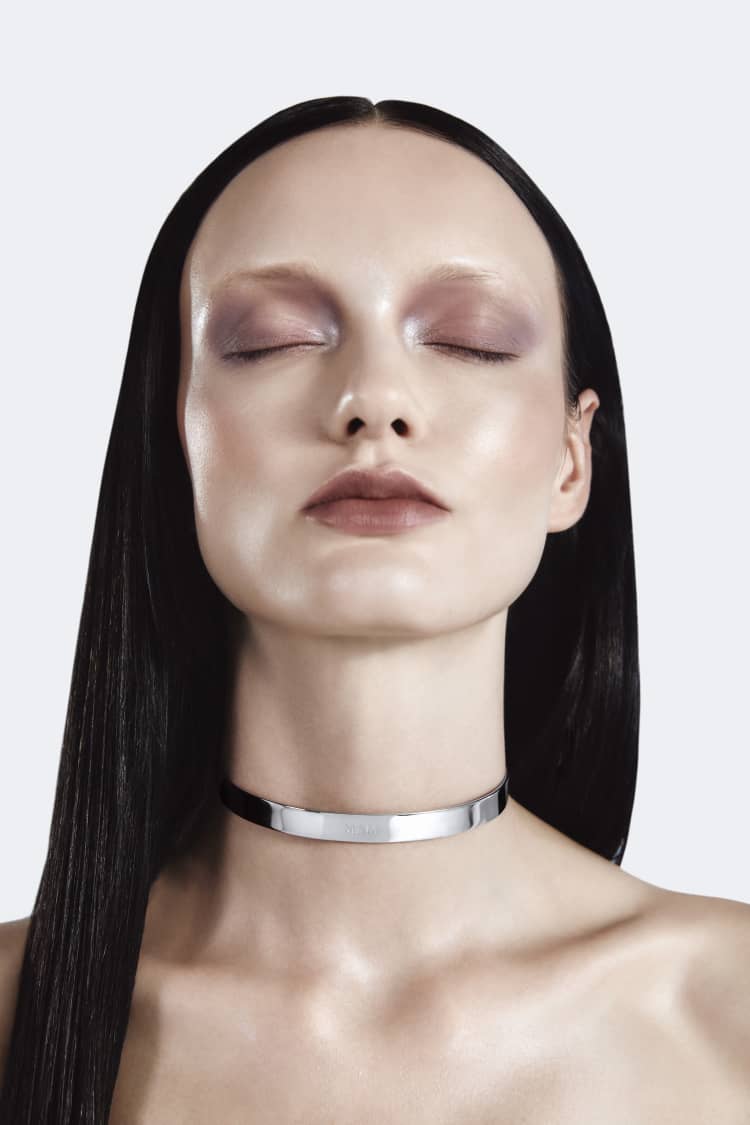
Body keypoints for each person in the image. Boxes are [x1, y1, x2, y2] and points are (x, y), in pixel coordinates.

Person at [1, 96, 748, 1123]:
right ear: (173, 443)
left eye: (471, 341)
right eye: (270, 341)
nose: (375, 400)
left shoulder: (728, 1015)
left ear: (572, 461)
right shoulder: (18, 1016)